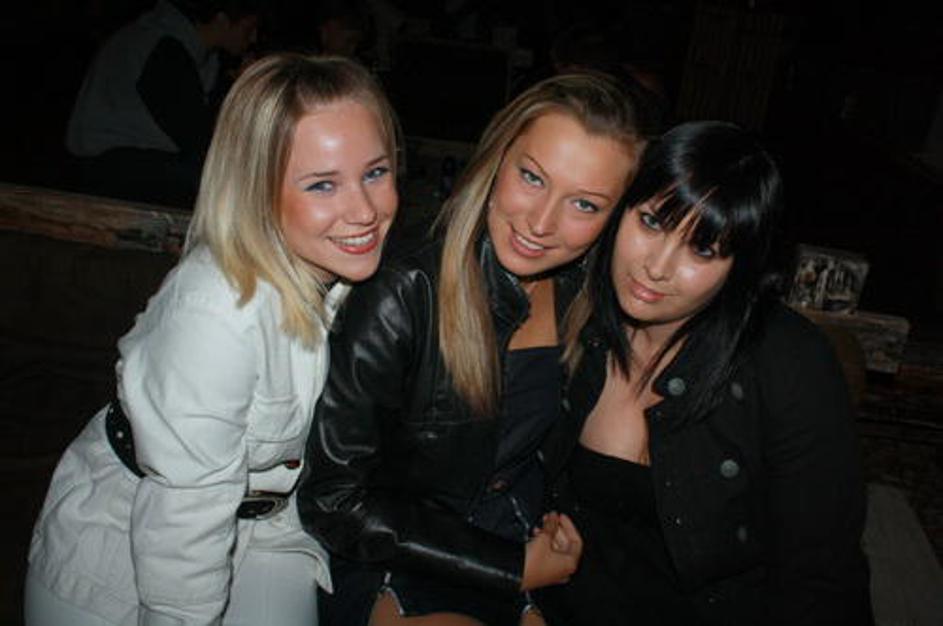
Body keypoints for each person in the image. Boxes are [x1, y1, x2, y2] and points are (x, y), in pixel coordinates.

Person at [26, 53, 400, 626]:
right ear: (256, 190)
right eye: (323, 184)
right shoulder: (218, 313)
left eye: (375, 172)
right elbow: (184, 518)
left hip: (269, 527)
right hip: (130, 553)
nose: (365, 210)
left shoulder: (341, 275)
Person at [297, 72, 647, 626]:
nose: (541, 223)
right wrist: (510, 567)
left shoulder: (587, 297)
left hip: (514, 536)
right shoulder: (406, 290)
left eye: (584, 204)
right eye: (532, 177)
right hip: (398, 552)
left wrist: (554, 532)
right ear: (495, 159)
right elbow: (335, 501)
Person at [537, 121, 873, 625]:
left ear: (740, 266)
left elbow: (821, 575)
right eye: (651, 222)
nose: (657, 267)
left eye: (703, 249)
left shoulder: (789, 363)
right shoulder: (568, 311)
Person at [65, 0, 261, 207]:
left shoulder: (201, 58)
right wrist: (241, 92)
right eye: (248, 28)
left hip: (139, 161)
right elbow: (196, 137)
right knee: (219, 184)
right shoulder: (162, 48)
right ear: (221, 20)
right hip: (111, 165)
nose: (253, 38)